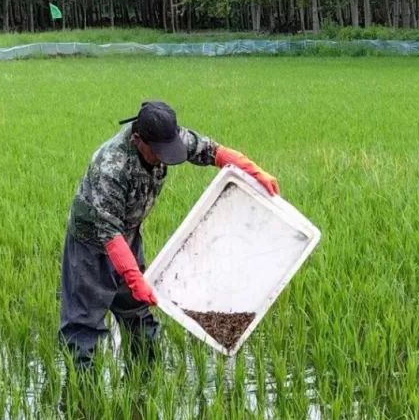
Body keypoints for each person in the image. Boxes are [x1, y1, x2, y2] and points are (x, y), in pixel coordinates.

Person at [59, 100, 279, 370]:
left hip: (126, 235)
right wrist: (134, 278)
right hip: (91, 245)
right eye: (160, 152)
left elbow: (213, 151)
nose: (166, 157)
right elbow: (108, 232)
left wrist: (255, 173)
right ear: (139, 140)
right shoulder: (111, 166)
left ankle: (145, 382)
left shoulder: (165, 135)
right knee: (84, 328)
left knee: (139, 316)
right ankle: (82, 399)